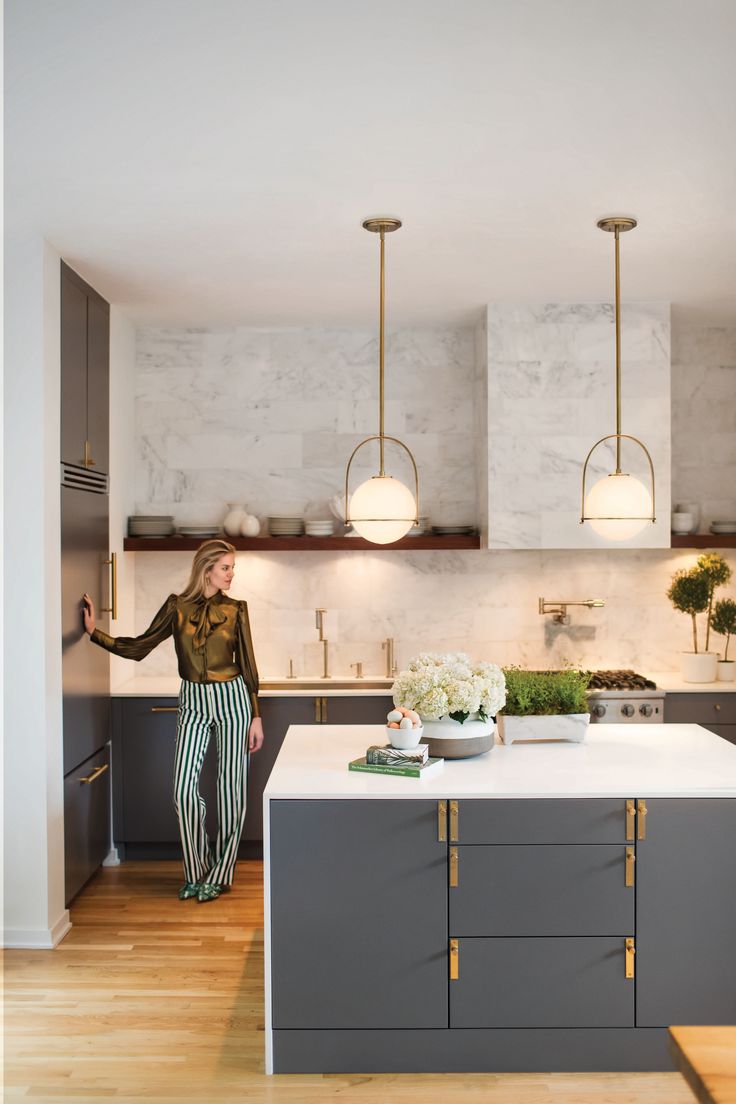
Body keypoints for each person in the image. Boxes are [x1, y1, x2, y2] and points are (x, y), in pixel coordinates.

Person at [82, 539, 263, 903]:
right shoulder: (176, 607)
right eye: (225, 567)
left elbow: (248, 665)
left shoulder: (237, 610)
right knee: (183, 790)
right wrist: (93, 633)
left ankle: (221, 873)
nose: (231, 575)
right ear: (207, 569)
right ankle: (197, 872)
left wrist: (256, 716)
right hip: (193, 700)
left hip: (234, 700)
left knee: (231, 791)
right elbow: (139, 646)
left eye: (232, 568)